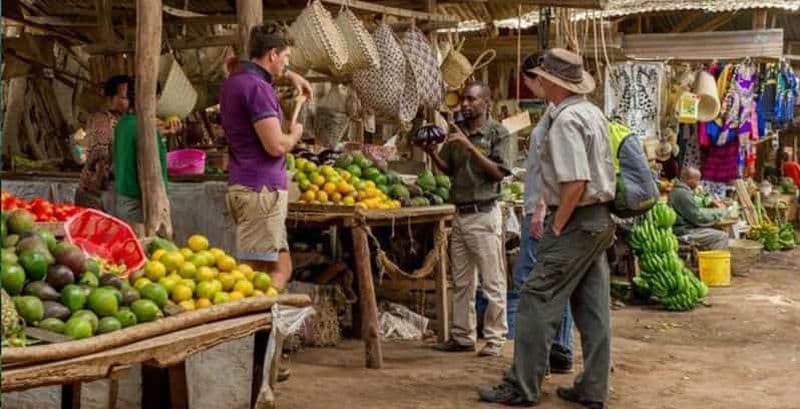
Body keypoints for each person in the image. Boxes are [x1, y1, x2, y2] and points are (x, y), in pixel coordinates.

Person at [479, 48, 616, 408]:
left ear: (552, 81)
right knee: (593, 307)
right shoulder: (592, 113)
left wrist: (556, 224)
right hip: (599, 219)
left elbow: (575, 182)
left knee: (535, 300)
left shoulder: (566, 121)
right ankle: (592, 387)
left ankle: (522, 386)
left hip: (576, 219)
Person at [219, 22, 312, 292]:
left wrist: (289, 75)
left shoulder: (234, 81)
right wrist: (295, 134)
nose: (286, 64)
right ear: (272, 54)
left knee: (282, 268)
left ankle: (268, 332)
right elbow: (276, 146)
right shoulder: (258, 89)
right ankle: (254, 329)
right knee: (253, 277)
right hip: (261, 191)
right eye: (285, 58)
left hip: (249, 186)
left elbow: (246, 67)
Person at [426, 81, 513, 357]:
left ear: (486, 102)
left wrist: (469, 146)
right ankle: (462, 336)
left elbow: (499, 173)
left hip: (485, 215)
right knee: (462, 281)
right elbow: (447, 169)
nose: (465, 104)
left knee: (492, 280)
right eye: (463, 99)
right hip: (461, 215)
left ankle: (496, 339)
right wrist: (430, 152)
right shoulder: (458, 133)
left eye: (472, 100)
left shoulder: (498, 133)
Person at [508, 53, 574, 373]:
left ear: (540, 78)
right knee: (551, 280)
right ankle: (558, 348)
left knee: (532, 280)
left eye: (529, 80)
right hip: (541, 207)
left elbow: (557, 169)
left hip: (543, 210)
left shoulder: (558, 116)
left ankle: (551, 349)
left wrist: (541, 210)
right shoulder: (552, 114)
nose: (527, 86)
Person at [111, 79, 169, 236]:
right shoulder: (144, 127)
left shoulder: (122, 123)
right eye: (157, 97)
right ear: (152, 97)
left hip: (124, 196)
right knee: (146, 249)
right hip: (140, 200)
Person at [76, 75, 132, 210]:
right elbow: (100, 153)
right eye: (124, 98)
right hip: (96, 194)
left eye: (130, 97)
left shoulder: (125, 120)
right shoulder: (101, 120)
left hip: (111, 194)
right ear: (110, 98)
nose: (128, 102)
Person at [669, 166, 729, 251]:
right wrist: (719, 213)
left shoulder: (678, 191)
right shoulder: (682, 194)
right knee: (721, 236)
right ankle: (712, 262)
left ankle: (705, 259)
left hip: (683, 229)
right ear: (688, 179)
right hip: (683, 232)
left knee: (714, 231)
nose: (698, 183)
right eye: (697, 180)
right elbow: (697, 216)